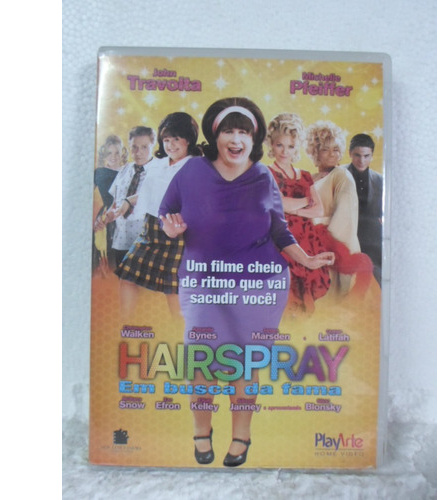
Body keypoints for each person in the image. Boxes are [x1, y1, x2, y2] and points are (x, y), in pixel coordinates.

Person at [158, 98, 334, 467]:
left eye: (244, 132)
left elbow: (279, 230)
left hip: (259, 285)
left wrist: (306, 258)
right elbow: (166, 211)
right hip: (204, 281)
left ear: (254, 140)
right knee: (201, 359)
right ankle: (201, 431)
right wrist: (171, 229)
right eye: (229, 131)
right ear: (216, 136)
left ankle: (242, 435)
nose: (236, 139)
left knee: (244, 362)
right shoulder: (192, 171)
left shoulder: (262, 176)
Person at [114, 113, 202, 319]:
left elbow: (200, 204)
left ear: (188, 139)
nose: (170, 145)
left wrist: (179, 226)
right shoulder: (159, 164)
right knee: (127, 276)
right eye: (166, 140)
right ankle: (124, 322)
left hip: (177, 235)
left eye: (176, 139)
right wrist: (127, 201)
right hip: (150, 230)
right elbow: (151, 192)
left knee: (174, 291)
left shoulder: (196, 167)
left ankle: (180, 332)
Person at [266, 113, 330, 314]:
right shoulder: (267, 173)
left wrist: (293, 208)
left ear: (297, 147)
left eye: (291, 146)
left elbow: (319, 209)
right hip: (281, 240)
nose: (285, 151)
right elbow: (277, 205)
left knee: (306, 293)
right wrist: (305, 201)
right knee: (286, 292)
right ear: (271, 144)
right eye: (280, 145)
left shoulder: (305, 176)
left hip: (306, 239)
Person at [306, 121, 372, 295]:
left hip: (331, 246)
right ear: (315, 151)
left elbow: (345, 214)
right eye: (325, 149)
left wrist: (324, 242)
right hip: (308, 246)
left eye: (336, 149)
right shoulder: (309, 178)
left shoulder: (341, 175)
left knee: (330, 297)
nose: (332, 154)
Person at [97, 126, 156, 266]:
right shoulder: (124, 170)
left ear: (153, 146)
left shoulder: (160, 171)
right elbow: (115, 204)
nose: (138, 152)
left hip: (147, 243)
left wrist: (130, 201)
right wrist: (108, 216)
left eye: (144, 147)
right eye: (134, 147)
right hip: (121, 242)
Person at [346, 134, 383, 285]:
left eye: (366, 156)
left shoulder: (380, 180)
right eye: (357, 155)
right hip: (346, 236)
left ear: (372, 155)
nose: (362, 160)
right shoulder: (338, 174)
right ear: (350, 153)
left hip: (371, 240)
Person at [92, 135, 127, 273]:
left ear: (122, 152)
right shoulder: (99, 173)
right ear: (104, 153)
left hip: (125, 212)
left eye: (117, 152)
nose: (113, 157)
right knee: (106, 252)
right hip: (106, 216)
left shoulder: (128, 171)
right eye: (109, 153)